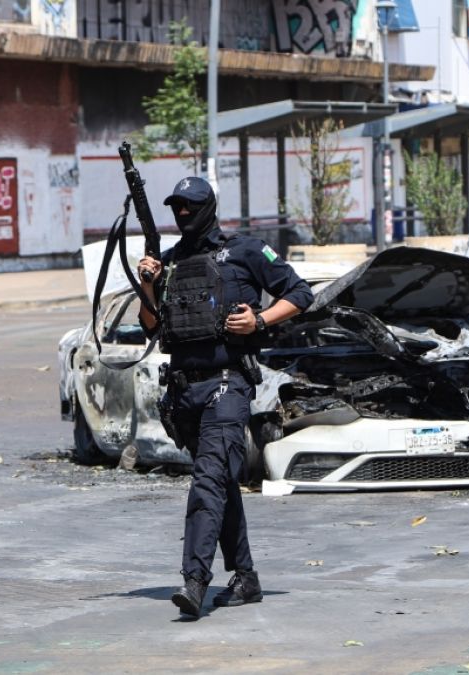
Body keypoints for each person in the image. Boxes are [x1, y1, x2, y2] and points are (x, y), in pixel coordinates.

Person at [136, 176, 314, 619]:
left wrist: (261, 321)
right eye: (175, 206)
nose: (181, 213)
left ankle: (194, 580)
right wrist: (148, 284)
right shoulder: (171, 263)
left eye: (188, 206)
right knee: (219, 485)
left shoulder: (246, 251)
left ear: (207, 207)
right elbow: (151, 327)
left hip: (227, 385)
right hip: (183, 392)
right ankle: (246, 577)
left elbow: (301, 293)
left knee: (208, 483)